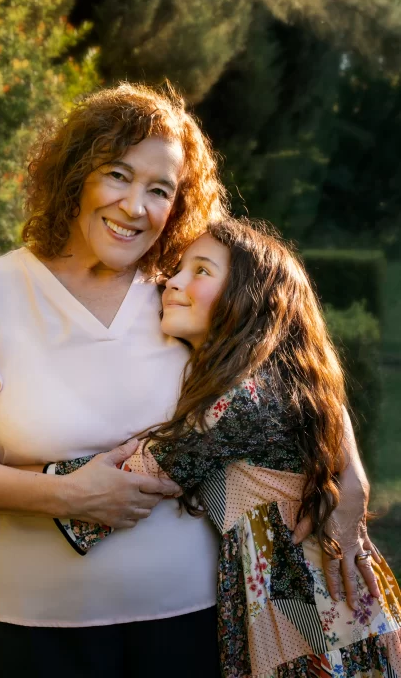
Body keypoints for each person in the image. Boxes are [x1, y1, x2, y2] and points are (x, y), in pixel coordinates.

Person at [0, 81, 376, 678]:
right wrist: (68, 494)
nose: (135, 207)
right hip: (33, 628)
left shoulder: (184, 290)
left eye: (159, 189)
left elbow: (294, 361)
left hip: (198, 628)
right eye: (117, 175)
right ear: (76, 175)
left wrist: (352, 482)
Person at [43, 218, 401, 678]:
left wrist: (2, 473)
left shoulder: (239, 401)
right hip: (327, 613)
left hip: (311, 623)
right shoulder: (277, 379)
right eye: (178, 269)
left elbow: (123, 484)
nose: (171, 281)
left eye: (201, 270)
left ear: (251, 299)